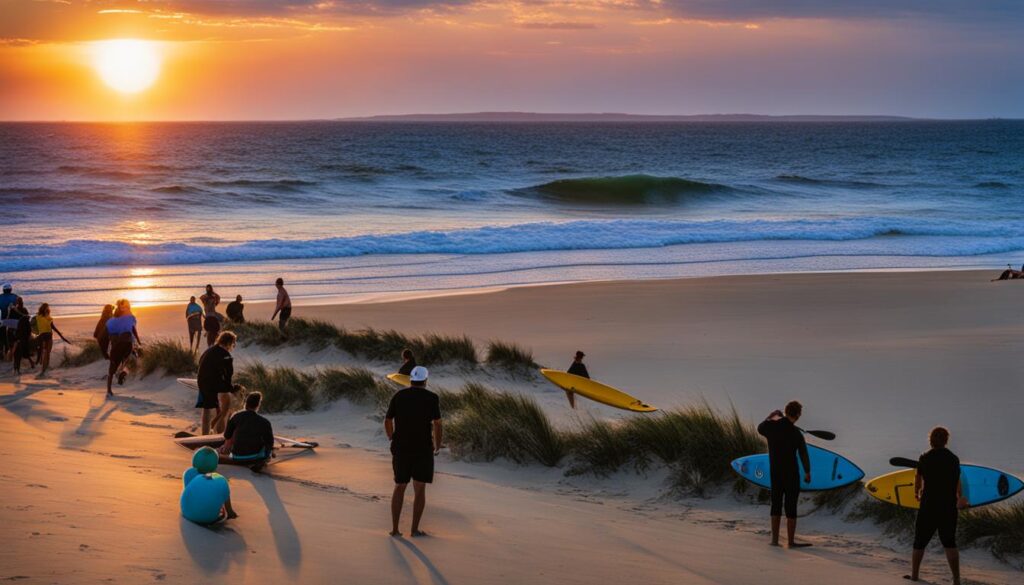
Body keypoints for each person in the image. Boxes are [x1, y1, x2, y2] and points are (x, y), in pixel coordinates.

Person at [385, 365, 442, 537]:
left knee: (400, 486)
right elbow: (438, 423)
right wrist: (437, 444)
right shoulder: (432, 398)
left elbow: (388, 419)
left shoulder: (399, 395)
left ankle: (395, 529)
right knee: (419, 488)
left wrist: (391, 437)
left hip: (401, 447)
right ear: (425, 380)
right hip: (422, 448)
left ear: (411, 380)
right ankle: (414, 529)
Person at [906, 426, 967, 584]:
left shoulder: (925, 457)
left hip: (929, 505)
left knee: (919, 542)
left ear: (931, 439)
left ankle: (914, 575)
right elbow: (957, 481)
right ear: (946, 440)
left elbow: (918, 478)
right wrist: (960, 497)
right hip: (948, 506)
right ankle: (956, 579)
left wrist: (916, 492)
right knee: (949, 542)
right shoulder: (953, 459)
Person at [757, 401, 812, 548]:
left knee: (776, 503)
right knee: (790, 506)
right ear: (798, 415)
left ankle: (774, 540)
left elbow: (760, 428)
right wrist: (807, 472)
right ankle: (790, 542)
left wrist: (771, 416)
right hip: (791, 474)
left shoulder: (771, 427)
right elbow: (803, 454)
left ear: (785, 411)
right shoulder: (796, 434)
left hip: (776, 472)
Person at [220, 391, 274, 470]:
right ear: (258, 405)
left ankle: (229, 452)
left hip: (237, 456)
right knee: (267, 447)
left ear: (246, 403)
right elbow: (270, 443)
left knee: (233, 433)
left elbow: (227, 435)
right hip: (255, 457)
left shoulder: (236, 417)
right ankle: (260, 460)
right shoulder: (264, 422)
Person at [197, 331, 237, 435]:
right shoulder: (226, 355)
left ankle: (204, 435)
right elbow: (228, 376)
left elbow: (200, 363)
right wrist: (232, 389)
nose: (233, 346)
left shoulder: (209, 350)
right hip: (214, 384)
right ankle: (220, 433)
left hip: (202, 381)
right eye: (233, 344)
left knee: (207, 409)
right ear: (229, 343)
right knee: (227, 404)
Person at [105, 299, 141, 397]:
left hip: (119, 346)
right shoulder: (128, 318)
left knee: (113, 368)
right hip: (124, 345)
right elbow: (133, 330)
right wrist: (138, 341)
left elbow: (110, 336)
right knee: (124, 362)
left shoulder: (111, 322)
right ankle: (121, 373)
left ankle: (110, 389)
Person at [33, 303, 69, 377]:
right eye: (46, 308)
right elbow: (33, 324)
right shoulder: (38, 317)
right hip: (43, 336)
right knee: (45, 353)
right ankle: (43, 370)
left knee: (47, 353)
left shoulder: (47, 317)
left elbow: (53, 327)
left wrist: (61, 336)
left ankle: (46, 367)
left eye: (48, 308)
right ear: (43, 309)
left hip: (49, 335)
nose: (47, 309)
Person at [10, 298, 34, 374]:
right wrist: (29, 333)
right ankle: (17, 368)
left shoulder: (13, 310)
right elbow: (28, 322)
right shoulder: (24, 310)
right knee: (22, 351)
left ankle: (16, 368)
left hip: (17, 333)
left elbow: (10, 320)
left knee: (17, 352)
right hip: (23, 333)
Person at [0, 283, 18, 358]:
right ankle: (13, 351)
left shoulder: (0, 297)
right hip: (13, 321)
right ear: (10, 290)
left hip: (3, 320)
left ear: (3, 290)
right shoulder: (15, 297)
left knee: (2, 336)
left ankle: (2, 352)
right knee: (14, 337)